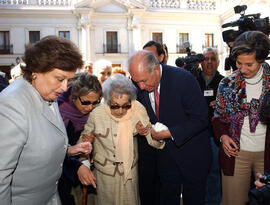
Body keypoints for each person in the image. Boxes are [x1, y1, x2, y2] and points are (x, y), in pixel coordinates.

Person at [0, 35, 92, 205]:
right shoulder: (11, 105)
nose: (65, 88)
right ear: (36, 70)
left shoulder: (46, 92)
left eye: (68, 80)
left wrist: (68, 150)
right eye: (60, 79)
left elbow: (34, 145)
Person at [128, 50, 211, 205]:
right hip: (165, 157)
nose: (140, 87)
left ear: (156, 69)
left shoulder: (184, 80)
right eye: (136, 81)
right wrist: (140, 126)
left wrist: (170, 133)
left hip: (192, 155)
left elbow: (201, 119)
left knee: (194, 199)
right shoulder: (138, 83)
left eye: (143, 81)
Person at [79, 74, 165, 205]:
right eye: (114, 106)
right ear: (107, 99)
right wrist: (86, 147)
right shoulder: (97, 114)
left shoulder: (137, 109)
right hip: (104, 175)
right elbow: (83, 141)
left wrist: (152, 133)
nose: (120, 110)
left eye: (126, 106)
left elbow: (153, 139)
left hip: (129, 175)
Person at [212, 31, 270, 205]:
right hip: (236, 153)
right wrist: (223, 136)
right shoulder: (227, 83)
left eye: (249, 64)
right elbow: (218, 117)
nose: (242, 69)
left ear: (261, 60)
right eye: (239, 63)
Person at [57, 73, 102, 205]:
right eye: (86, 102)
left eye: (95, 102)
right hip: (59, 178)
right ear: (74, 97)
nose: (90, 108)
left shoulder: (95, 114)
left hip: (84, 176)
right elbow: (54, 150)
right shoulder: (57, 110)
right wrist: (77, 166)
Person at [197, 47, 224, 205]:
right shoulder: (192, 80)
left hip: (215, 136)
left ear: (218, 62)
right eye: (206, 58)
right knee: (197, 173)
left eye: (213, 59)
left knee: (214, 172)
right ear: (201, 61)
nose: (209, 62)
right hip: (195, 136)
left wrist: (221, 105)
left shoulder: (223, 82)